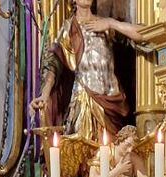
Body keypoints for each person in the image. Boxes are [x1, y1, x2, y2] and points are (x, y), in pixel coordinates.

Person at [31, 0, 143, 140]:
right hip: (84, 100)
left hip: (111, 100)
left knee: (112, 149)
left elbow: (142, 34)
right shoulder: (68, 28)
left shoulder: (105, 24)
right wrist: (44, 94)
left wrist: (111, 23)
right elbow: (53, 63)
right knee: (84, 149)